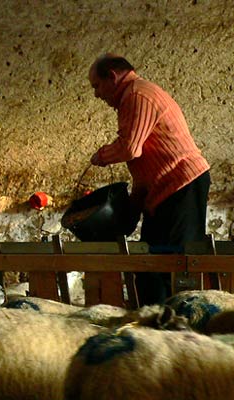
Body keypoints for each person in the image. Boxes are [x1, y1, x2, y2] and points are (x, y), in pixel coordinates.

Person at [88, 54, 211, 306]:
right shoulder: (130, 100)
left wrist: (101, 155)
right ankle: (154, 323)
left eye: (96, 86)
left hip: (181, 185)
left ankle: (175, 330)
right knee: (148, 264)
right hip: (165, 191)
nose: (96, 94)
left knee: (174, 264)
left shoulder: (137, 95)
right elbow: (143, 168)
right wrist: (134, 209)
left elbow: (130, 148)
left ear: (112, 76)